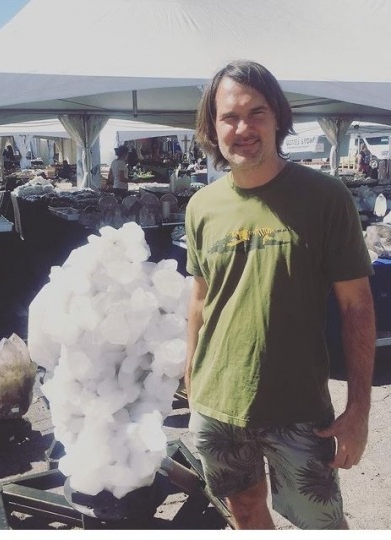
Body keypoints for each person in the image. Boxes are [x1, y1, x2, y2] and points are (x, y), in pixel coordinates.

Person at [184, 60, 376, 530]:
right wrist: (191, 379)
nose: (243, 128)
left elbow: (357, 306)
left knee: (321, 525)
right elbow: (200, 300)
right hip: (218, 404)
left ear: (278, 119)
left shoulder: (325, 197)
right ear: (212, 127)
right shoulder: (201, 206)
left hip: (298, 408)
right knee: (246, 511)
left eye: (257, 113)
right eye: (230, 117)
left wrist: (358, 410)